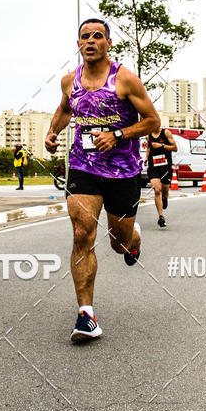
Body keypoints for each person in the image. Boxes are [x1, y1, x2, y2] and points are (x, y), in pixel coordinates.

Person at [45, 17, 160, 343]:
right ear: (78, 44)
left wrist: (120, 133)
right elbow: (66, 109)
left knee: (118, 241)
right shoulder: (70, 81)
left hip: (123, 171)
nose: (91, 41)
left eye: (98, 36)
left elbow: (153, 121)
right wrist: (53, 131)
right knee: (82, 232)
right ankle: (86, 315)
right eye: (85, 36)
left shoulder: (124, 80)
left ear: (108, 43)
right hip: (83, 168)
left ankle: (133, 238)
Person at [145, 126, 177, 228]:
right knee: (157, 190)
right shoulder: (148, 135)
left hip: (165, 166)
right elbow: (149, 147)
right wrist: (146, 157)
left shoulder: (166, 133)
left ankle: (165, 198)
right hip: (153, 166)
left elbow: (175, 148)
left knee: (165, 190)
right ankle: (161, 217)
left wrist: (161, 145)